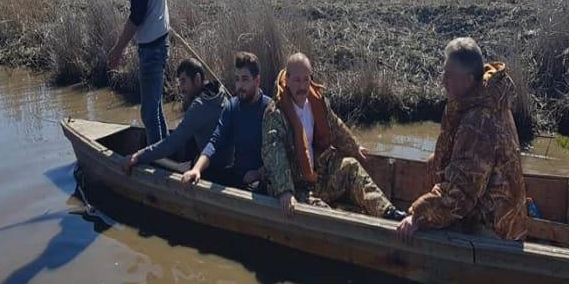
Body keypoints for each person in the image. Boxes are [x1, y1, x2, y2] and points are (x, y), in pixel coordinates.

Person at [397, 37, 527, 243]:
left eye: (449, 76)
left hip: (493, 229)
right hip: (491, 214)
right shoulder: (478, 99)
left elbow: (462, 193)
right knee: (433, 162)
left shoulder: (478, 122)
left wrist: (419, 216)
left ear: (468, 80)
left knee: (427, 240)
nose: (443, 81)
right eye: (443, 73)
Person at [262, 52, 406, 220]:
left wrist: (354, 146)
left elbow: (335, 125)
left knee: (351, 166)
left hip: (319, 176)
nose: (302, 86)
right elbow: (274, 153)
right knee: (323, 214)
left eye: (306, 79)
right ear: (287, 79)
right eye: (297, 80)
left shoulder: (317, 102)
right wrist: (284, 191)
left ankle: (387, 212)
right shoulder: (275, 114)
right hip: (296, 185)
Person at [108, 0, 171, 145]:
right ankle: (165, 151)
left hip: (153, 48)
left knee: (148, 113)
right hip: (158, 42)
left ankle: (158, 163)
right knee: (155, 108)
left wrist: (117, 49)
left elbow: (136, 17)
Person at [122, 58, 232, 173]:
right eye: (179, 82)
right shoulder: (221, 93)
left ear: (197, 79)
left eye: (184, 81)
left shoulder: (200, 106)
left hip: (211, 169)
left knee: (154, 161)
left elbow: (171, 144)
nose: (181, 88)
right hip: (225, 162)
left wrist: (138, 156)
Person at [181, 52, 271, 189]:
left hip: (261, 180)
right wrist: (197, 169)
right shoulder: (232, 106)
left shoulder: (269, 109)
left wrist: (258, 173)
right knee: (201, 175)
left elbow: (282, 154)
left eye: (245, 79)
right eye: (237, 79)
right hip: (238, 175)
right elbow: (215, 141)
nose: (240, 85)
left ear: (257, 81)